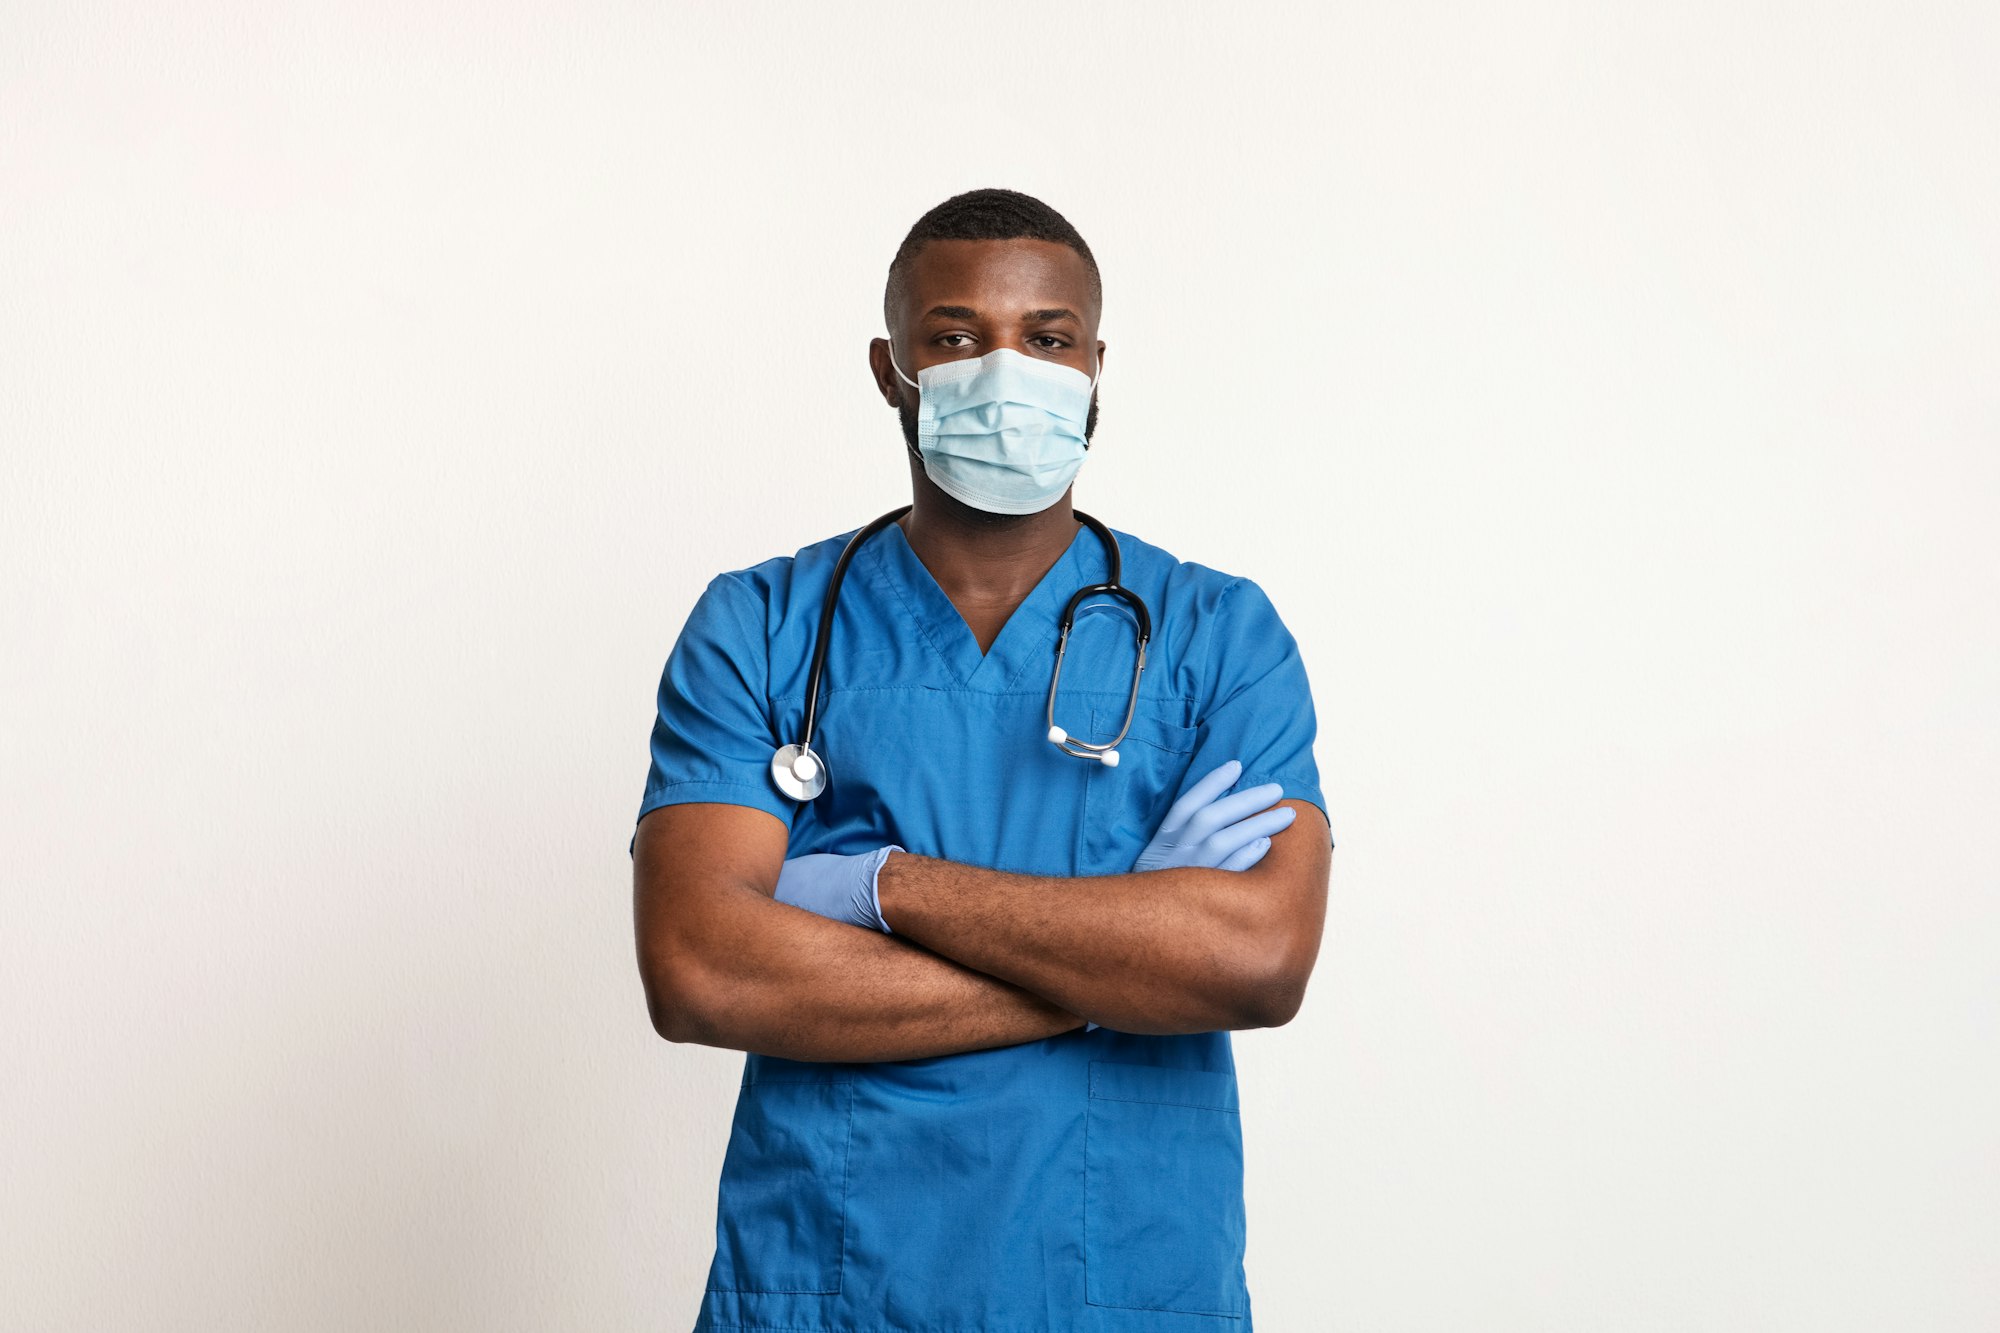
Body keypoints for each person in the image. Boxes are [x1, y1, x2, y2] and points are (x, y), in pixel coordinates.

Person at [631, 187, 1332, 1332]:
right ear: (889, 367)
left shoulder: (1218, 635)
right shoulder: (761, 625)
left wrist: (876, 885)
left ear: (1096, 365)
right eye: (954, 338)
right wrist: (1119, 957)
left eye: (1047, 339)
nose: (1005, 373)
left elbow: (1255, 962)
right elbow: (701, 968)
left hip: (1120, 1283)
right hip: (838, 1282)